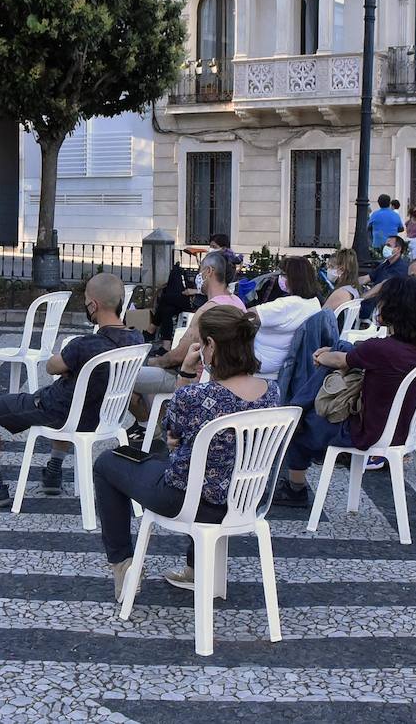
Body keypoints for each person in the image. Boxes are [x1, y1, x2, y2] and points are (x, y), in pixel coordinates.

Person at [95, 306, 279, 598]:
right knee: (208, 469)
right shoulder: (273, 392)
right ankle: (195, 569)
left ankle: (122, 563)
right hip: (245, 500)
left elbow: (171, 434)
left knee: (107, 463)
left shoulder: (195, 396)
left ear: (211, 346)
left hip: (185, 501)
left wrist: (185, 375)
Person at [0, 273, 144, 508]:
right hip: (104, 418)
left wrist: (71, 368)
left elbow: (51, 366)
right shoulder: (136, 339)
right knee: (73, 396)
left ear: (92, 305)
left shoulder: (84, 345)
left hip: (58, 411)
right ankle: (53, 471)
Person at [273, 276, 416, 506]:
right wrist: (331, 353)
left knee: (300, 429)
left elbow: (341, 361)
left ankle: (295, 488)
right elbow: (349, 355)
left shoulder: (382, 349)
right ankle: (298, 408)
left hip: (365, 431)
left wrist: (322, 356)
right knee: (340, 348)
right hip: (402, 428)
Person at [130, 250, 244, 426]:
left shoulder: (207, 310)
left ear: (209, 272)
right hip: (228, 376)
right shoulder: (237, 302)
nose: (198, 276)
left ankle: (152, 428)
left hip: (194, 378)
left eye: (200, 270)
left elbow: (177, 357)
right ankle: (157, 427)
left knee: (125, 378)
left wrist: (153, 361)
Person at [252, 256, 323, 375]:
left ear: (294, 278)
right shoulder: (314, 302)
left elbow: (247, 315)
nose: (280, 278)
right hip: (282, 358)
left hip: (262, 360)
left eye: (283, 274)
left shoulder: (287, 305)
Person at [322, 248, 362, 314]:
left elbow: (320, 317)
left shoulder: (342, 293)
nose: (328, 269)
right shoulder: (352, 288)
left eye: (331, 266)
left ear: (341, 270)